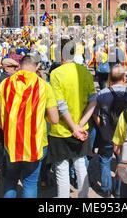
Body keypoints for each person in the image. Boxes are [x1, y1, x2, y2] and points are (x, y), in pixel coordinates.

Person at [0, 56, 59, 198]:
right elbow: (54, 119)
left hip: (11, 141)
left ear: (20, 66)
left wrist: (9, 129)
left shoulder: (5, 83)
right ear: (37, 66)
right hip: (36, 142)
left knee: (10, 179)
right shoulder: (44, 86)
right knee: (30, 182)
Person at [48, 39, 97, 198]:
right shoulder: (85, 71)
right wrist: (80, 125)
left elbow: (60, 104)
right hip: (81, 128)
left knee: (62, 169)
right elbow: (93, 100)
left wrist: (73, 127)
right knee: (80, 165)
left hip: (61, 130)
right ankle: (84, 197)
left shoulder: (56, 73)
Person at [93, 64, 127, 198]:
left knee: (105, 159)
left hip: (107, 133)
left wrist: (101, 125)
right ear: (124, 78)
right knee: (122, 161)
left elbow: (96, 113)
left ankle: (106, 189)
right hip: (125, 134)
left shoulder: (102, 93)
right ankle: (119, 191)